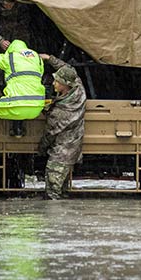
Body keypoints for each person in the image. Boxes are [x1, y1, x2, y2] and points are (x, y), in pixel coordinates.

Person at [0, 39, 45, 149]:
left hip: (18, 104)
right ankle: (18, 130)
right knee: (19, 104)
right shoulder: (37, 59)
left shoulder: (10, 57)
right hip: (38, 106)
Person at [37, 54, 87, 200]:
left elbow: (49, 135)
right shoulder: (79, 89)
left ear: (65, 85)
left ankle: (56, 220)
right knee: (61, 193)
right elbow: (67, 68)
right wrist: (49, 58)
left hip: (60, 154)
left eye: (57, 82)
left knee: (52, 194)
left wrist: (40, 150)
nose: (53, 84)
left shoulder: (60, 112)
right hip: (72, 150)